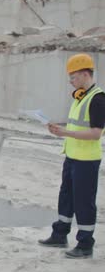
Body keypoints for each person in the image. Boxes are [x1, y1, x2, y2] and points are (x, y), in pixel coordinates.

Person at [39, 53, 105, 259]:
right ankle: (60, 234)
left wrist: (65, 132)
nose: (71, 83)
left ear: (86, 74)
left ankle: (85, 244)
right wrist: (60, 129)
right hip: (72, 156)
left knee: (84, 201)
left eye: (74, 78)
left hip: (87, 161)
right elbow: (77, 125)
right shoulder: (80, 96)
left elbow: (95, 133)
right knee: (66, 196)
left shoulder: (98, 99)